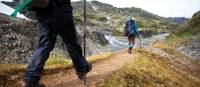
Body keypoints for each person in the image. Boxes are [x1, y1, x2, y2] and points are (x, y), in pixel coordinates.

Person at [21, 0, 92, 87]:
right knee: (70, 41)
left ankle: (30, 79)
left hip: (42, 10)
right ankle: (81, 67)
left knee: (44, 44)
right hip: (60, 7)